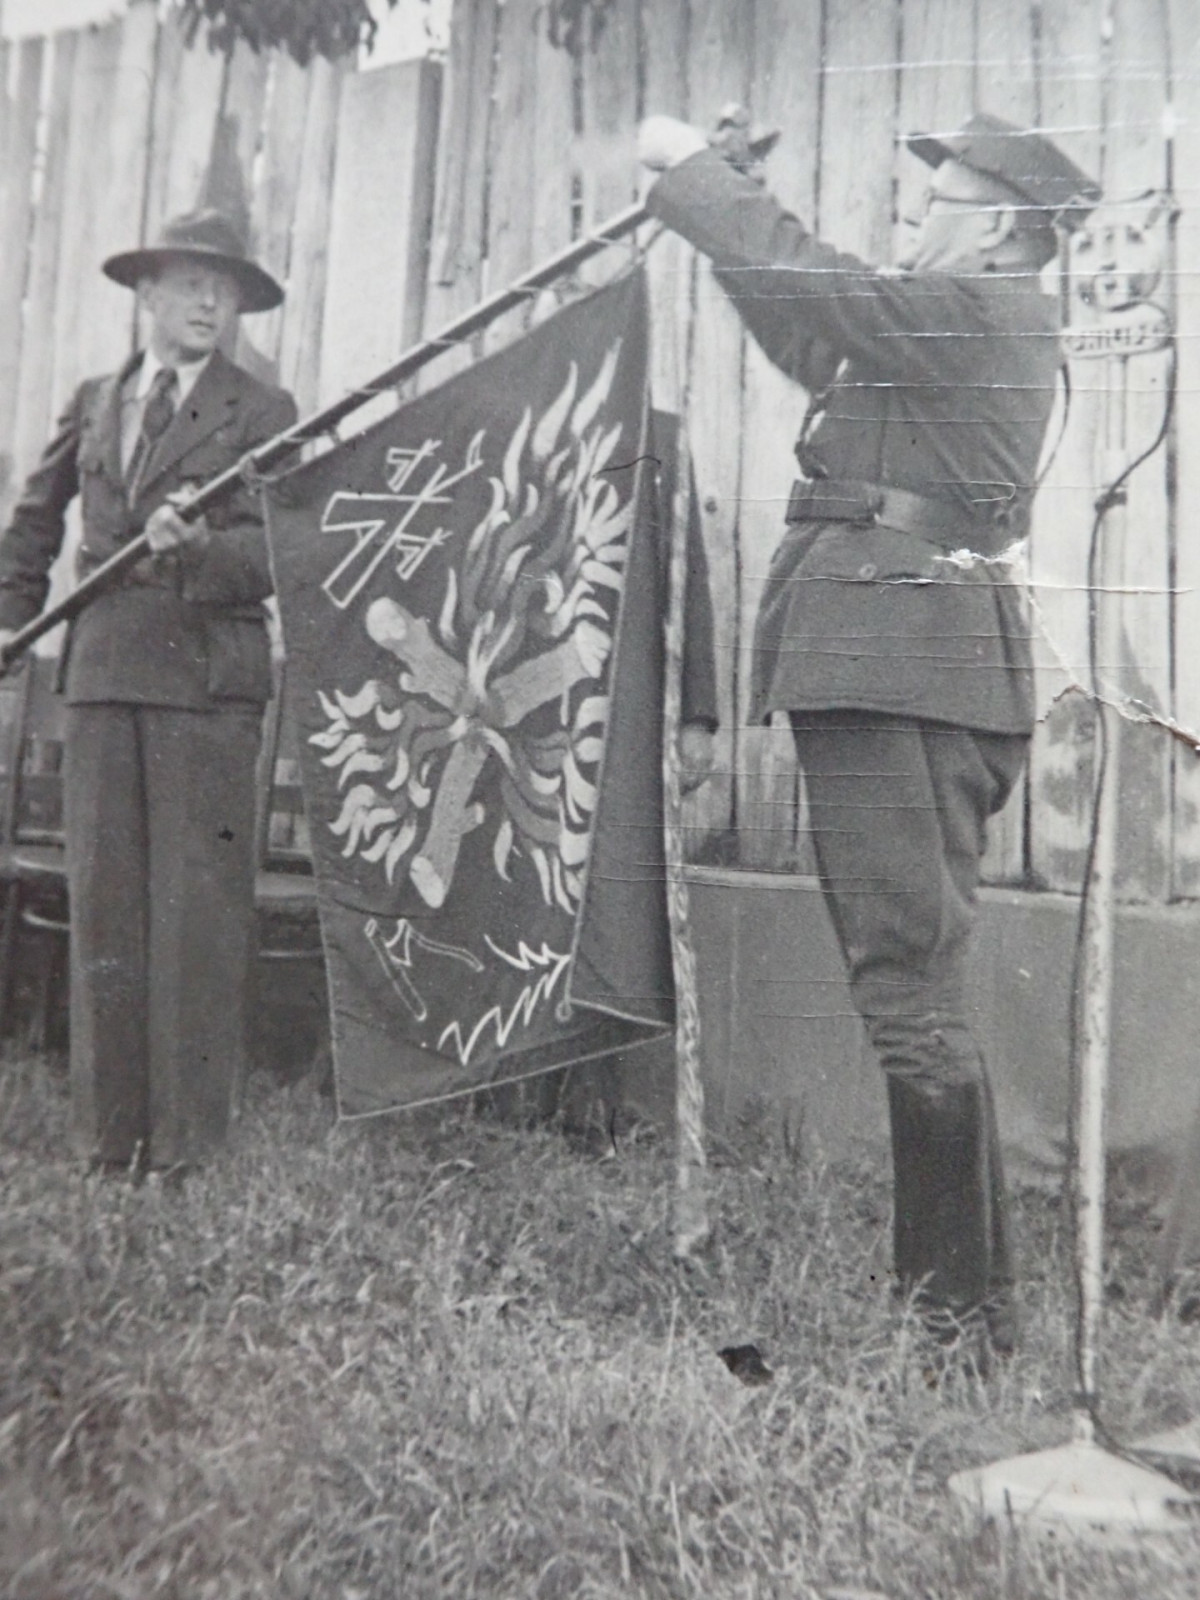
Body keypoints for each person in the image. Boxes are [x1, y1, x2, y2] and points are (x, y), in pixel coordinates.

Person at [638, 112, 1100, 1360]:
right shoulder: (950, 326)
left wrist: (686, 174)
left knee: (907, 986)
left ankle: (954, 1328)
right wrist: (727, 206)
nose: (917, 207)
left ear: (1005, 228)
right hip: (912, 658)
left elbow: (827, 290)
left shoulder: (988, 310)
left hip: (898, 659)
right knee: (922, 984)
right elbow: (807, 324)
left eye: (941, 192)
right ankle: (965, 1311)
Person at [0, 210, 298, 1174]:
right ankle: (106, 1141)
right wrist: (10, 620)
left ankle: (185, 1152)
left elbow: (289, 554)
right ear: (147, 294)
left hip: (206, 692)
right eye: (192, 283)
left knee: (197, 918)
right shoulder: (96, 401)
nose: (213, 302)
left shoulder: (264, 412)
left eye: (229, 290)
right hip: (100, 680)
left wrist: (203, 548)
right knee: (108, 911)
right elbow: (33, 525)